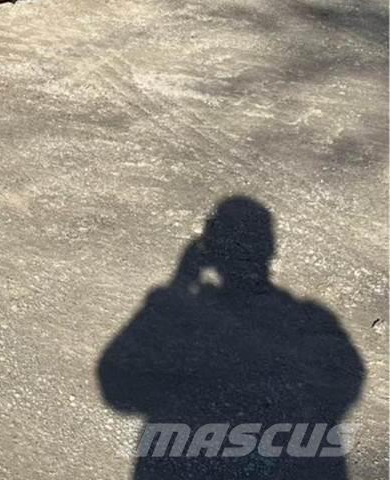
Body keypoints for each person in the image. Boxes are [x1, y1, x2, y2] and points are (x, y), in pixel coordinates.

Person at [97, 197, 365, 478]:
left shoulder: (181, 322)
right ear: (270, 248)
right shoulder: (311, 323)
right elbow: (340, 389)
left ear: (209, 250)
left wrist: (178, 289)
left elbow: (118, 383)